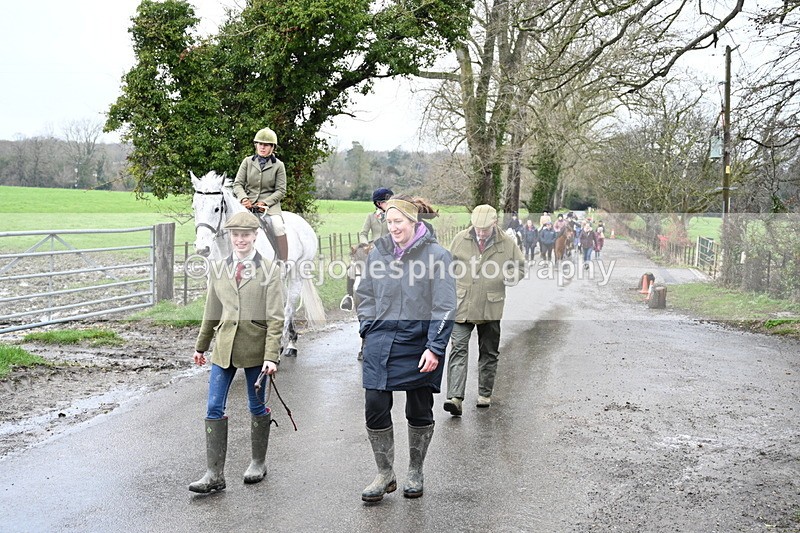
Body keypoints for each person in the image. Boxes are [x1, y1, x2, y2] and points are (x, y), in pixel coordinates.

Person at [356, 195, 456, 502]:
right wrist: (368, 327)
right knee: (374, 405)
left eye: (398, 221)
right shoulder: (378, 254)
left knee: (419, 409)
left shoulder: (438, 256)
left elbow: (444, 306)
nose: (393, 227)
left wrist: (435, 348)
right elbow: (364, 294)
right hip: (380, 341)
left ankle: (415, 470)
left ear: (414, 222)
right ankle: (385, 473)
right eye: (389, 222)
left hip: (419, 345)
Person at [189, 211, 285, 494]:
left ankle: (258, 462)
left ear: (255, 236)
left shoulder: (270, 270)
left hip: (256, 348)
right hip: (224, 348)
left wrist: (272, 355)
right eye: (235, 235)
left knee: (256, 406)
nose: (240, 240)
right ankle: (214, 474)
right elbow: (211, 311)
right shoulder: (219, 269)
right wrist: (200, 346)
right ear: (229, 237)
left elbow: (276, 318)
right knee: (213, 407)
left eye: (245, 235)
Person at [443, 204, 525, 416]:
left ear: (494, 223)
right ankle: (455, 398)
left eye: (484, 229)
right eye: (476, 228)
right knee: (458, 349)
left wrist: (510, 276)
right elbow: (446, 266)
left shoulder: (507, 243)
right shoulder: (460, 239)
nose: (480, 233)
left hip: (491, 306)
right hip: (463, 305)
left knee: (488, 352)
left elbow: (520, 267)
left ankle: (484, 393)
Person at [233, 127, 289, 262]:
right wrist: (244, 198)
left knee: (278, 225)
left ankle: (283, 261)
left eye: (266, 145)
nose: (262, 147)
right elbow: (237, 184)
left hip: (270, 207)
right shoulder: (247, 161)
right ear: (256, 145)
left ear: (272, 147)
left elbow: (281, 190)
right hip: (248, 204)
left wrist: (265, 203)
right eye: (260, 144)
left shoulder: (279, 166)